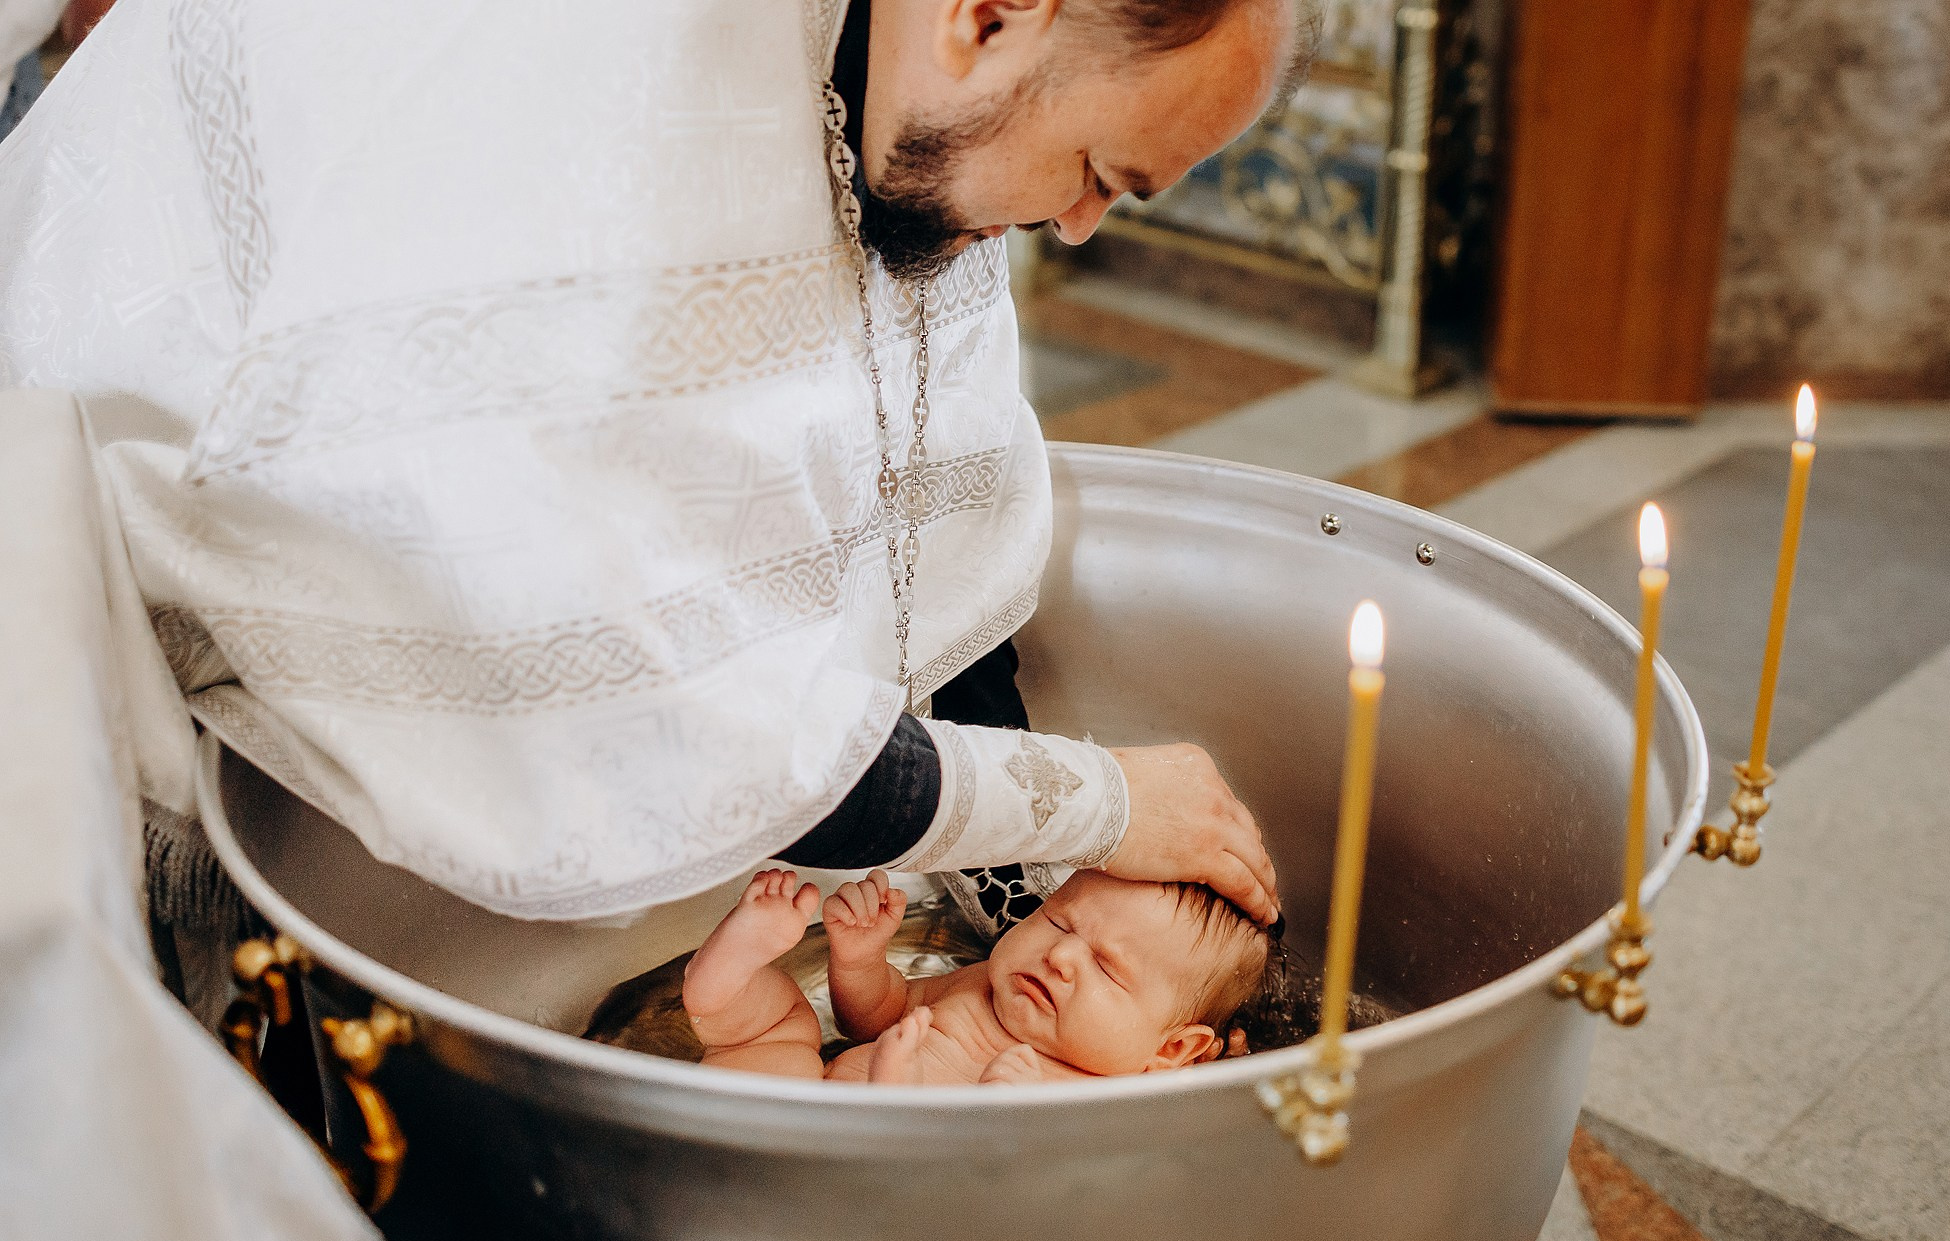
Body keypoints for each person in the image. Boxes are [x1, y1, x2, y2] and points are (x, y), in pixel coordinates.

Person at [0, 0, 1313, 951]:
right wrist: (1097, 802)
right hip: (88, 609)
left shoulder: (913, 76)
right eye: (1097, 174)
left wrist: (1019, 887)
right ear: (988, 17)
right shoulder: (575, 132)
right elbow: (650, 724)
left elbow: (917, 501)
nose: (1077, 226)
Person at [683, 867, 1270, 1083]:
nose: (1062, 958)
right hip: (797, 1106)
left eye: (1109, 969)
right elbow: (878, 1018)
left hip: (905, 1176)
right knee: (781, 1030)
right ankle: (732, 974)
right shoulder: (990, 981)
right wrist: (860, 961)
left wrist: (999, 1120)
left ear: (1171, 1047)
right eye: (1060, 923)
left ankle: (902, 1112)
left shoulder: (1114, 1094)